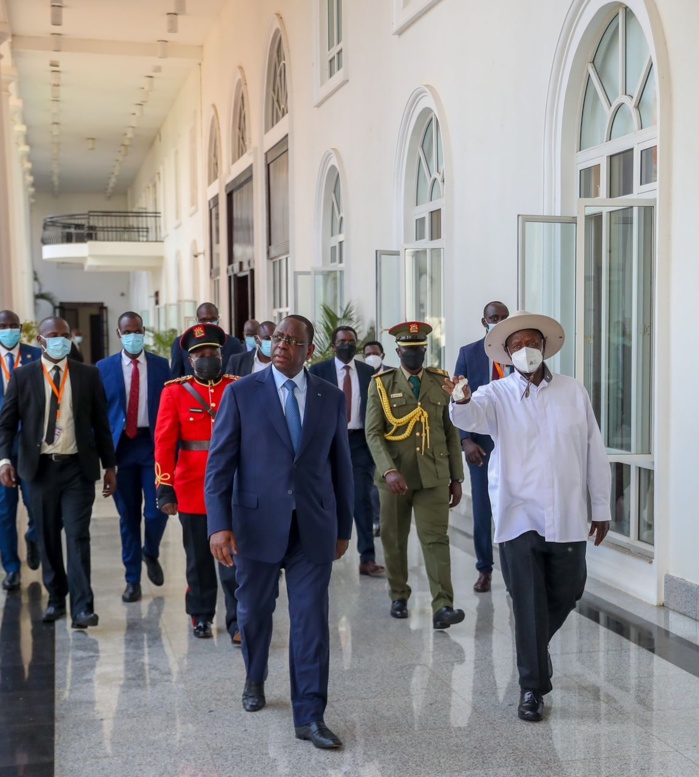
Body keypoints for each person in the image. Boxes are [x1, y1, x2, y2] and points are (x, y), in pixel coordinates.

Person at [445, 310, 611, 722]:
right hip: (518, 515)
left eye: (530, 343)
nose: (524, 351)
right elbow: (467, 416)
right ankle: (532, 687)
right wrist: (461, 398)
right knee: (527, 603)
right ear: (507, 353)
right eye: (515, 346)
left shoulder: (573, 392)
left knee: (569, 589)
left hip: (568, 514)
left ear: (544, 347)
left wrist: (602, 506)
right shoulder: (495, 393)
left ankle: (536, 650)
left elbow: (594, 450)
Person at [206, 314, 353, 750]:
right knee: (252, 613)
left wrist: (343, 526)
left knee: (311, 621)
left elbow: (340, 465)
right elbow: (219, 466)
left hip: (312, 527)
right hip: (254, 525)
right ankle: (254, 676)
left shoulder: (329, 396)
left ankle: (309, 715)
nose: (282, 345)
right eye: (278, 339)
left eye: (293, 341)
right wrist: (219, 526)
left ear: (309, 350)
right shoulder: (241, 393)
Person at [0, 316, 116, 628]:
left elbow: (101, 424)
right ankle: (56, 598)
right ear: (41, 341)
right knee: (49, 537)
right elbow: (7, 423)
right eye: (54, 335)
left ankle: (82, 607)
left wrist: (110, 466)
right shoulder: (23, 376)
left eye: (65, 335)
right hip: (39, 471)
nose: (61, 340)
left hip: (77, 468)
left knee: (78, 536)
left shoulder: (86, 375)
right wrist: (4, 461)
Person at [365, 321, 465, 629]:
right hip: (395, 478)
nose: (414, 355)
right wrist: (389, 470)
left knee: (436, 540)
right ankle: (399, 595)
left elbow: (450, 431)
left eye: (419, 350)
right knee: (394, 540)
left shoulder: (440, 380)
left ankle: (443, 605)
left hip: (433, 476)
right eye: (408, 350)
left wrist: (456, 478)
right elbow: (373, 433)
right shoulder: (382, 384)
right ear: (398, 352)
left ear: (425, 350)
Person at [154, 323, 239, 640]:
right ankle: (201, 614)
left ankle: (237, 620)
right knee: (199, 559)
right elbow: (164, 442)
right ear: (190, 360)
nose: (207, 358)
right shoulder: (174, 392)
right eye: (200, 354)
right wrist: (165, 485)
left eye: (212, 353)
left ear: (221, 354)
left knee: (234, 558)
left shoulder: (237, 387)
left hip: (233, 486)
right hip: (192, 487)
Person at [97, 312, 170, 602]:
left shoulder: (161, 367)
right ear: (119, 334)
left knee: (156, 512)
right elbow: (99, 416)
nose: (134, 335)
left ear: (144, 332)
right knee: (128, 517)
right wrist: (104, 461)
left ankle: (150, 552)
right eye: (128, 331)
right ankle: (132, 580)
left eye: (138, 331)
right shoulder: (103, 368)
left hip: (152, 447)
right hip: (121, 450)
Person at [310, 326, 384, 577]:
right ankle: (322, 551)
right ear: (333, 346)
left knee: (361, 499)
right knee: (324, 497)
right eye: (342, 341)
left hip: (359, 442)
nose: (347, 345)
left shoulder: (367, 371)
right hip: (328, 442)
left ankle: (367, 557)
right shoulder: (318, 371)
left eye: (351, 341)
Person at [453, 301, 510, 593]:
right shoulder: (469, 353)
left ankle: (514, 569)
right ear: (483, 321)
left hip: (514, 440)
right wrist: (466, 440)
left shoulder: (518, 351)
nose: (497, 321)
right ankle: (484, 570)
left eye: (502, 317)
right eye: (493, 318)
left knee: (513, 504)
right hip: (480, 444)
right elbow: (458, 398)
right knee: (483, 508)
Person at [0, 310, 41, 591]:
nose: (9, 330)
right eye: (3, 326)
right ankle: (12, 568)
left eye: (13, 326)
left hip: (29, 442)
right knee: (4, 511)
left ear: (21, 328)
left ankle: (34, 537)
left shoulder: (35, 356)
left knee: (35, 503)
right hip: (1, 445)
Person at [169, 303, 243, 379]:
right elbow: (176, 375)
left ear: (218, 319)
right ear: (196, 320)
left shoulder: (233, 344)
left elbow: (241, 374)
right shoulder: (182, 342)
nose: (208, 323)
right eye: (203, 320)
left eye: (212, 319)